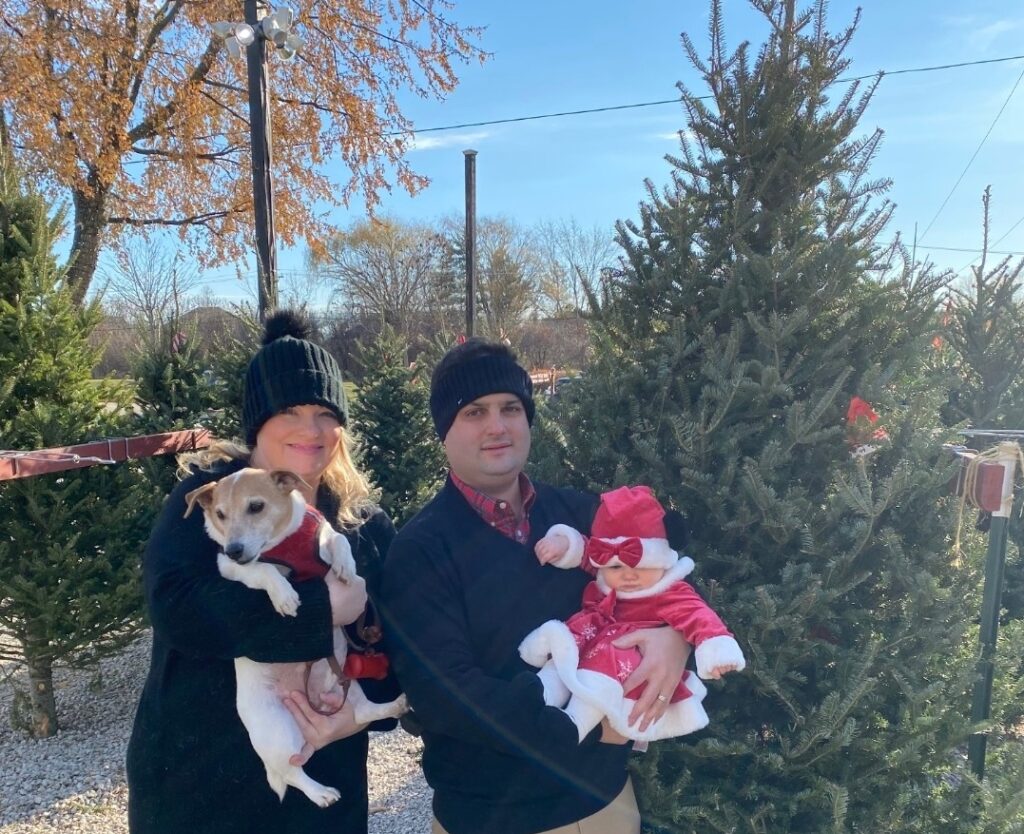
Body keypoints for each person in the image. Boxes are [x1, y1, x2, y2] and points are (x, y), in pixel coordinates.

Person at [376, 338, 692, 834]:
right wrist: (578, 731)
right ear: (445, 431)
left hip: (607, 805)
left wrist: (674, 637)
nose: (497, 426)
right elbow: (447, 695)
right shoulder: (420, 549)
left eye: (511, 408)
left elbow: (659, 574)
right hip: (495, 818)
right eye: (474, 412)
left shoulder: (581, 515)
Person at [126, 310, 399, 834]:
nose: (310, 428)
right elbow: (175, 607)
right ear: (258, 422)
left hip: (323, 785)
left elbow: (398, 644)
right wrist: (321, 611)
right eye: (289, 410)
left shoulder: (361, 524)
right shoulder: (210, 501)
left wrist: (355, 714)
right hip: (200, 786)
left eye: (324, 412)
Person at [520, 485, 746, 743]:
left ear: (661, 560)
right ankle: (540, 693)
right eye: (616, 566)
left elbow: (700, 617)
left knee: (597, 680)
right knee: (562, 656)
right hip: (594, 635)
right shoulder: (607, 574)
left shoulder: (669, 591)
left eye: (639, 565)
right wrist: (562, 544)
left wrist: (717, 650)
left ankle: (573, 725)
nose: (628, 575)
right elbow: (588, 552)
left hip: (625, 657)